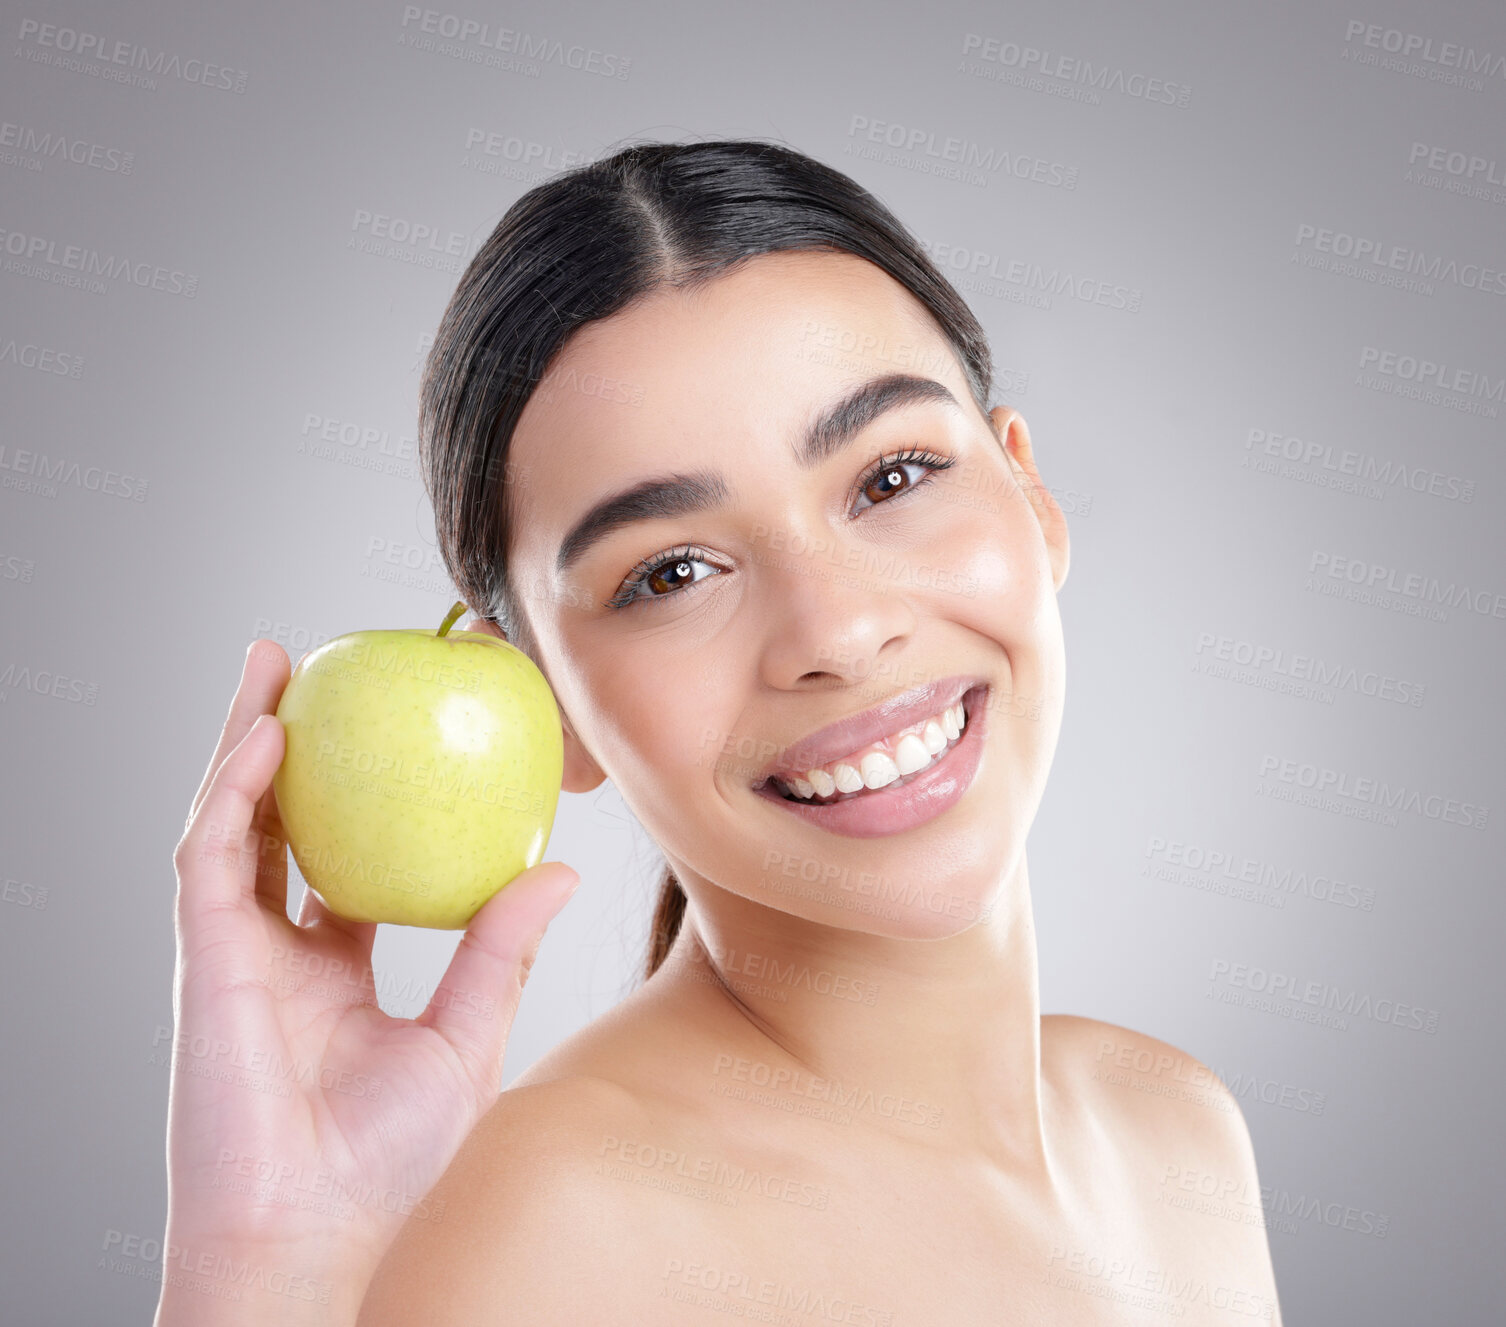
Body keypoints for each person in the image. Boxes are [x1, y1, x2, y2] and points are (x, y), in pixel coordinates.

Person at [161, 139, 1283, 1325]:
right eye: (673, 570)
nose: (837, 631)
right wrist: (269, 1262)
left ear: (1031, 494)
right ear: (546, 708)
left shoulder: (1177, 1130)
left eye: (893, 476)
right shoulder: (561, 1238)